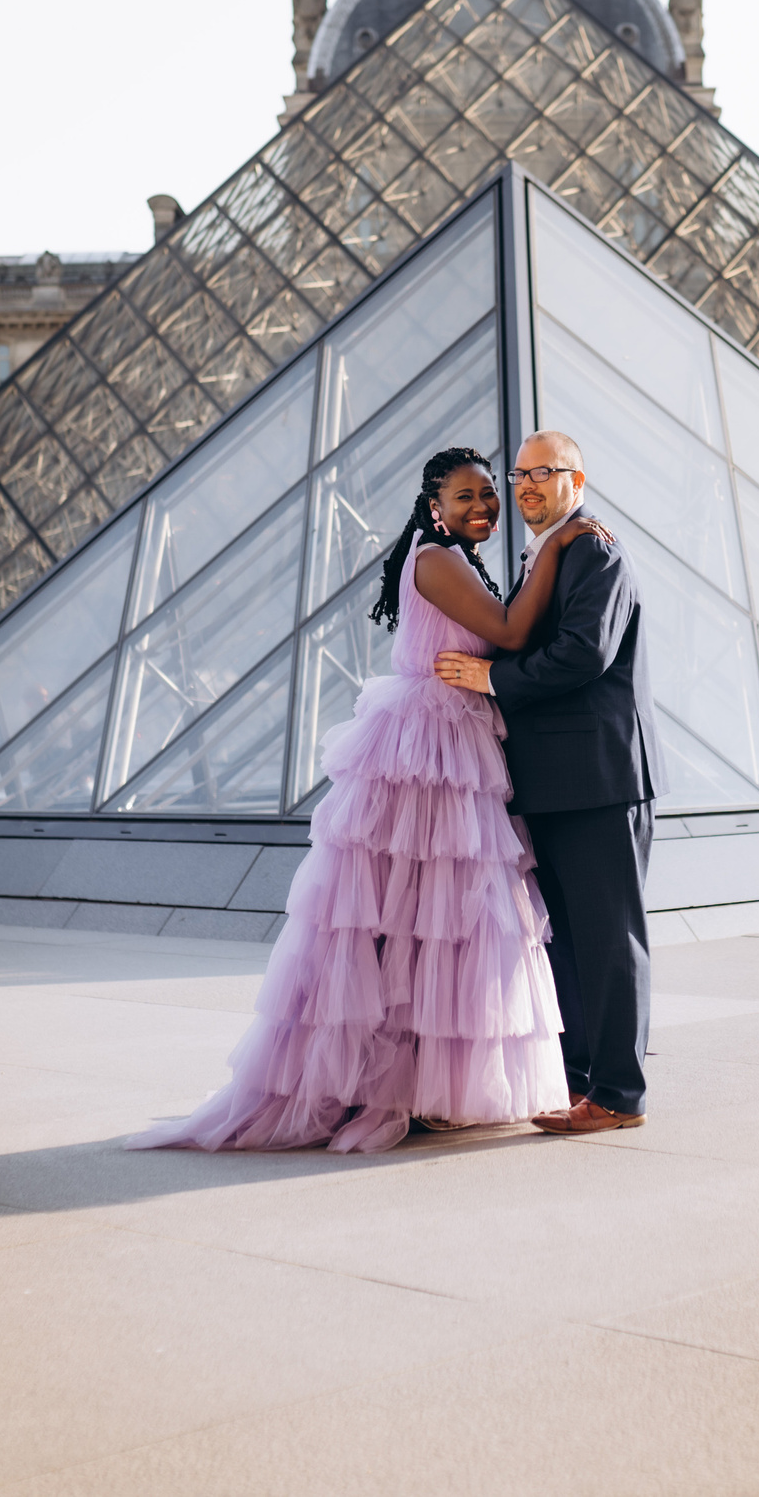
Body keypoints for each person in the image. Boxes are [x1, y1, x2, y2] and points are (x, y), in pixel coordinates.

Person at [128, 447, 600, 1153]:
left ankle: (420, 1085)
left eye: (487, 493)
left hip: (449, 742)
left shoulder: (455, 558)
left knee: (435, 921)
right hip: (428, 749)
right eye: (465, 496)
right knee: (412, 920)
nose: (483, 506)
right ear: (434, 506)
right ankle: (385, 1086)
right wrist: (560, 543)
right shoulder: (436, 560)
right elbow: (508, 632)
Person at [435, 431, 666, 1135]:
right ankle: (581, 1082)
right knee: (569, 941)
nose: (527, 485)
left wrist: (491, 677)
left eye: (544, 472)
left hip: (597, 779)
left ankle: (619, 1094)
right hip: (559, 781)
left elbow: (583, 654)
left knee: (608, 940)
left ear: (577, 480)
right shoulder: (549, 552)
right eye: (520, 475)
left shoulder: (594, 549)